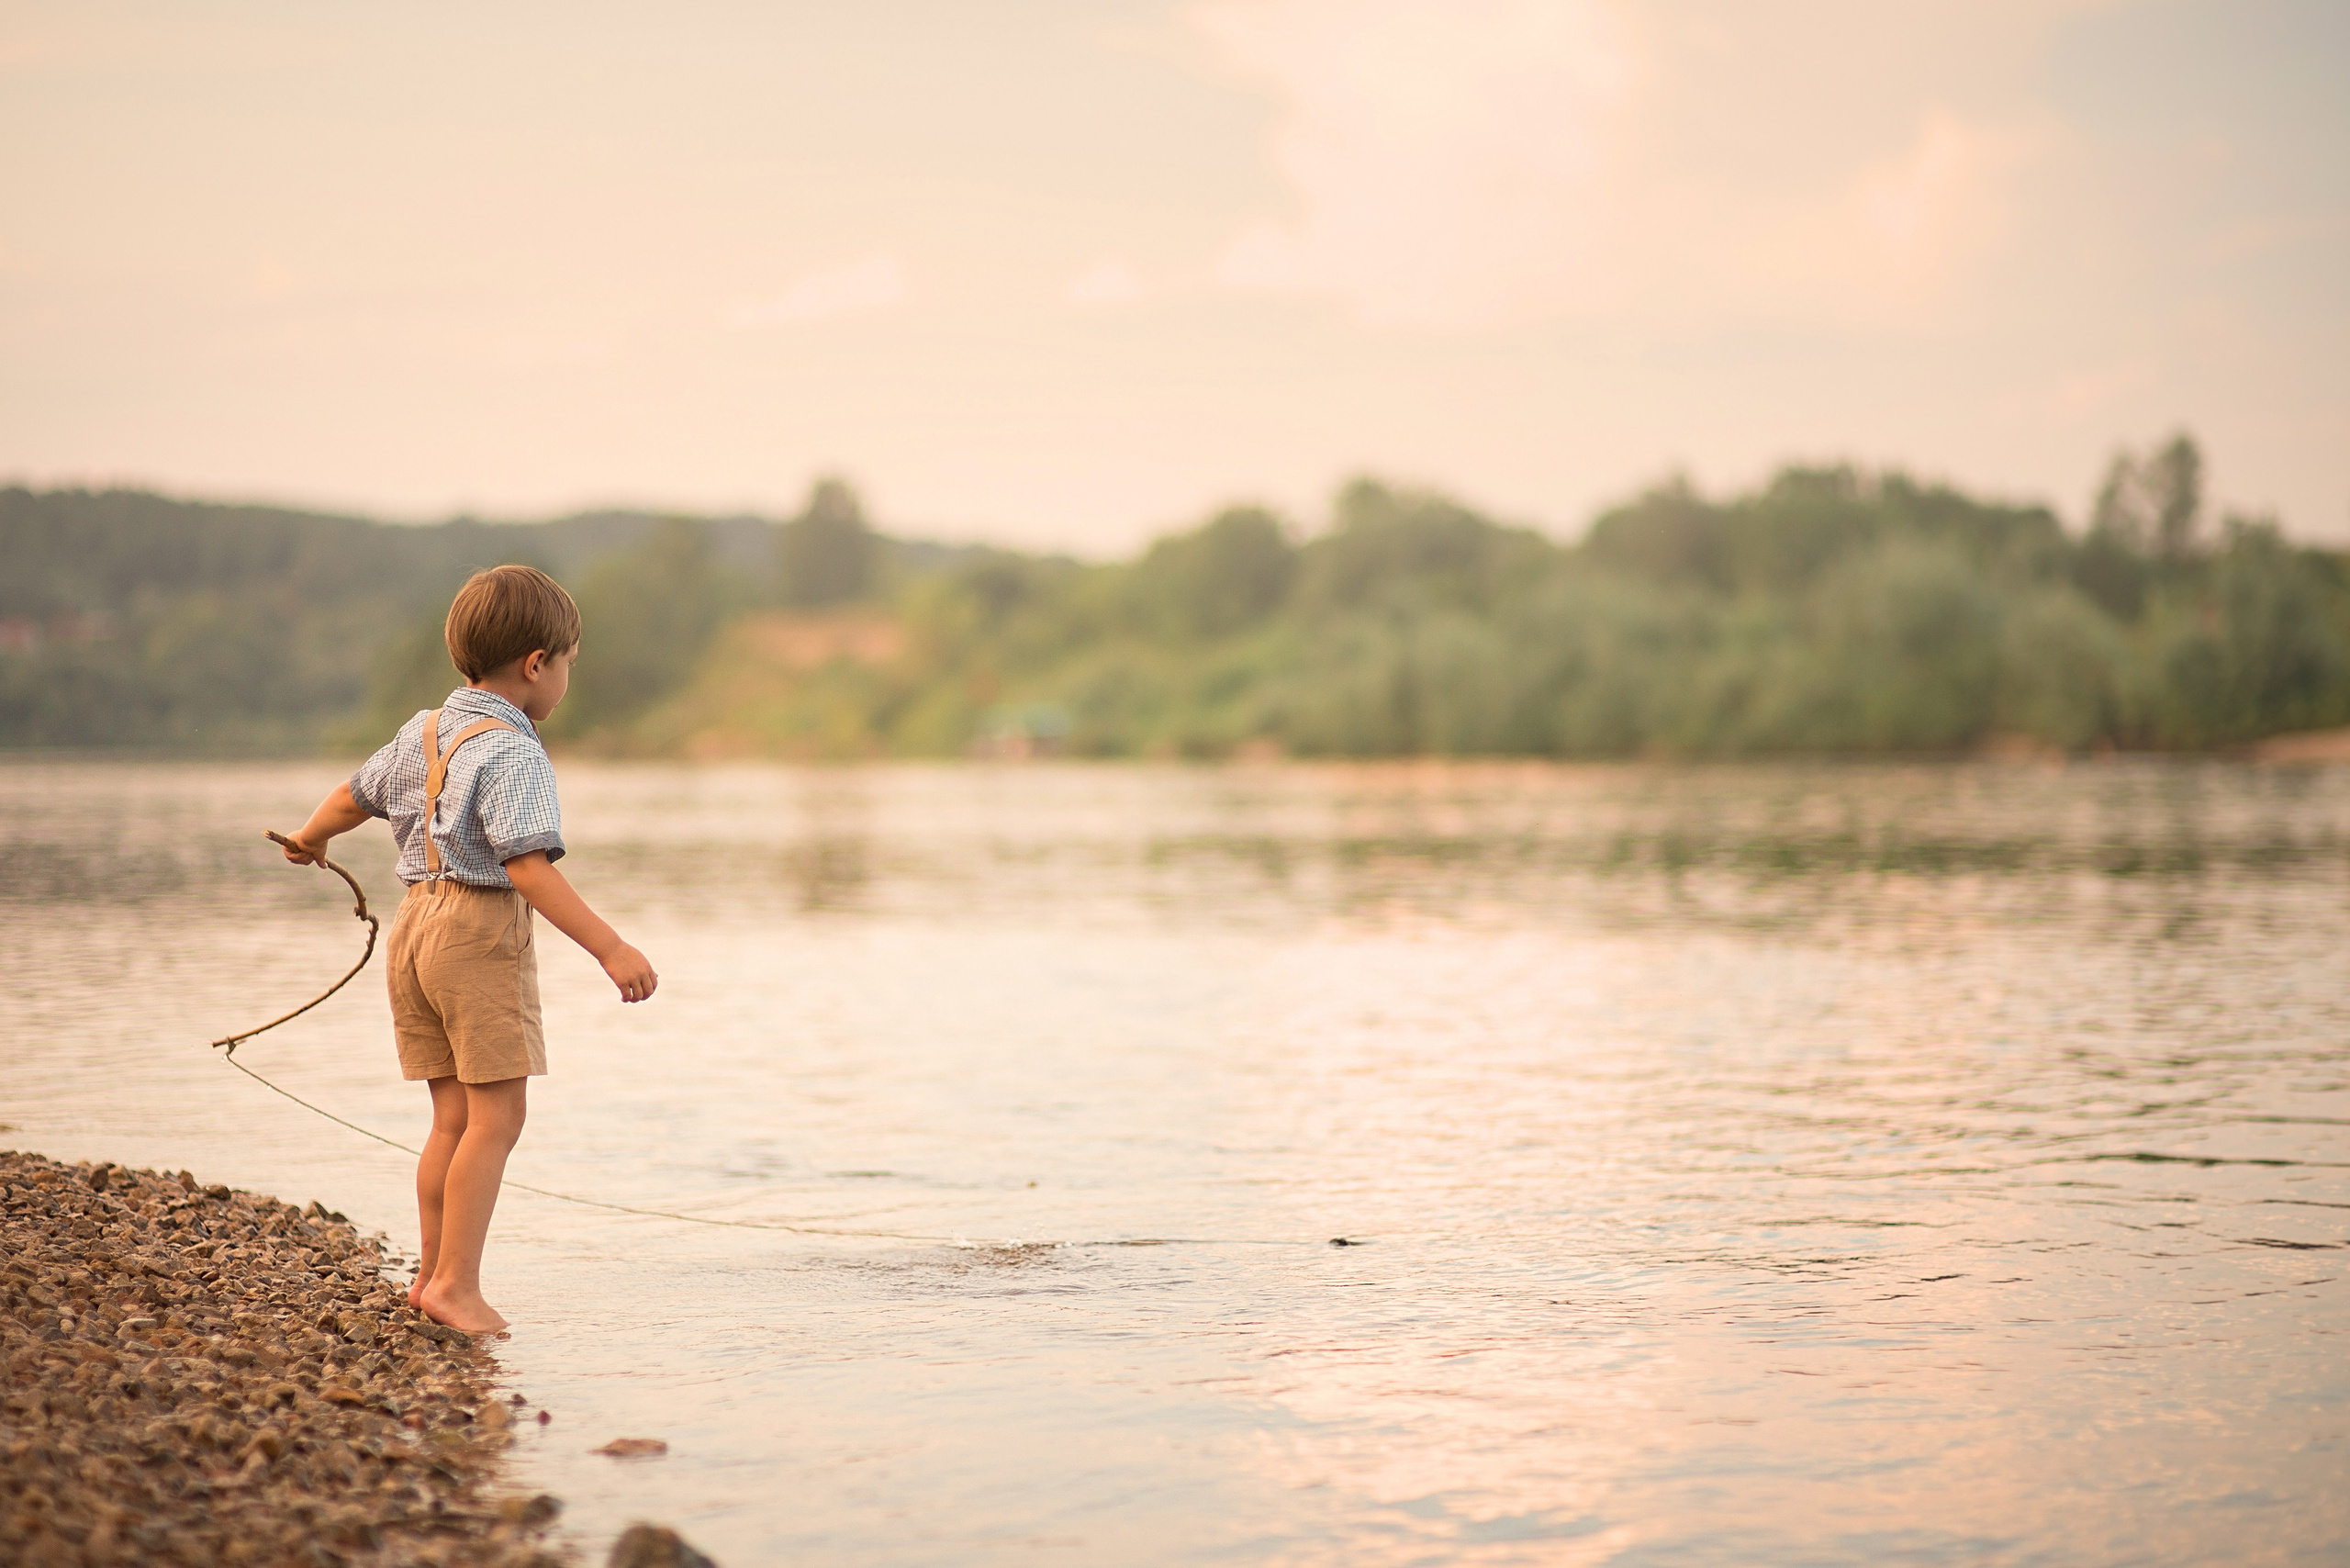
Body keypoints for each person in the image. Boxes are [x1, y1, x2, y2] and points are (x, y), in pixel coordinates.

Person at [278, 565, 657, 1333]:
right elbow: (526, 867)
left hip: (415, 926)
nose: (566, 682)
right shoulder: (515, 753)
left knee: (451, 1118)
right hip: (476, 932)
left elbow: (353, 796)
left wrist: (310, 837)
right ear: (535, 665)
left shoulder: (422, 731)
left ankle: (429, 1277)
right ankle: (456, 1284)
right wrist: (609, 947)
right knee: (498, 1118)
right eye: (569, 666)